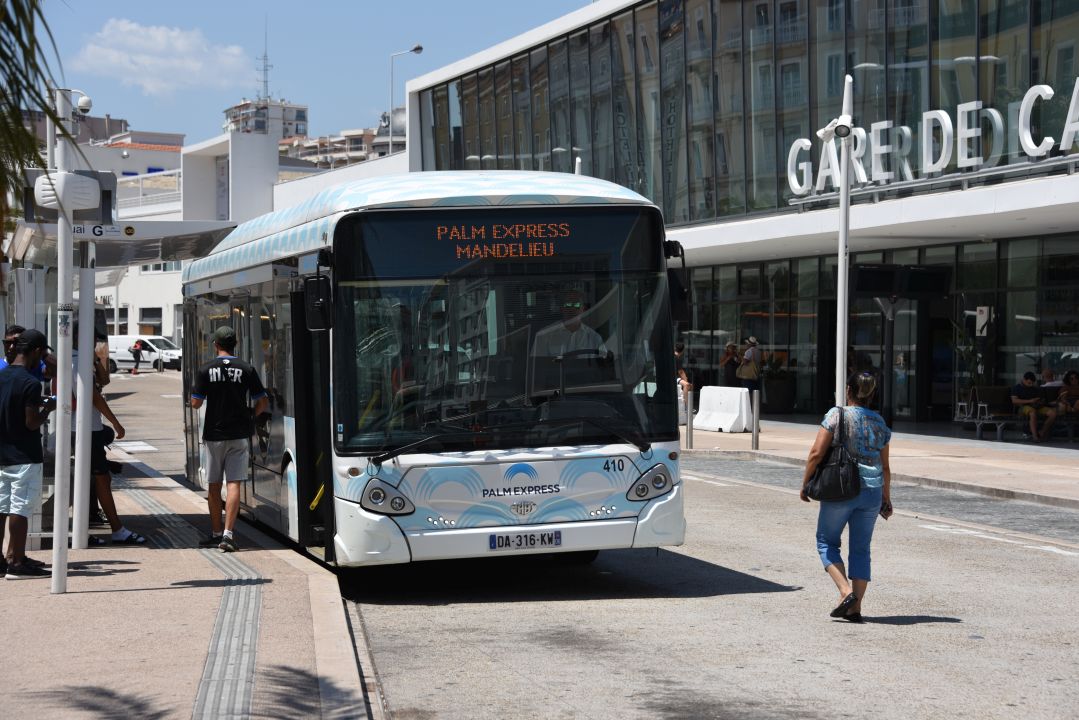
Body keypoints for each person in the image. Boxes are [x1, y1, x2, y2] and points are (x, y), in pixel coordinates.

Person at [800, 372, 893, 623]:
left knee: (826, 541)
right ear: (871, 394)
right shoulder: (880, 422)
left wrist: (806, 483)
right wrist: (886, 497)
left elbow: (816, 453)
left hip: (842, 487)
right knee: (861, 549)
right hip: (873, 491)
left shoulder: (836, 414)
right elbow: (885, 466)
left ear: (848, 390)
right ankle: (855, 608)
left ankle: (845, 591)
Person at [189, 326, 268, 552]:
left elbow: (195, 403)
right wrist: (250, 416)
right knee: (234, 483)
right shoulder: (247, 368)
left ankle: (215, 533)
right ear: (235, 345)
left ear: (216, 345)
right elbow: (263, 402)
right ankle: (228, 535)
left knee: (214, 485)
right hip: (239, 434)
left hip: (214, 434)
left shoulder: (205, 369)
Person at [70, 326, 144, 545]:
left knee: (99, 478)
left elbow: (104, 381)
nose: (96, 343)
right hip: (84, 429)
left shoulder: (83, 359)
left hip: (88, 427)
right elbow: (94, 396)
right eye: (93, 338)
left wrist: (95, 359)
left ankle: (90, 528)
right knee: (101, 478)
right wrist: (115, 422)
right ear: (80, 337)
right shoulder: (76, 361)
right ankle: (116, 529)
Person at [0, 330, 56, 579]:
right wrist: (48, 409)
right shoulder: (30, 383)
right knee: (19, 509)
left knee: (1, 507)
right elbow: (31, 422)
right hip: (24, 456)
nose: (41, 360)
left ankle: (2, 560)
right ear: (35, 351)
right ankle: (17, 562)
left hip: (2, 453)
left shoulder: (2, 376)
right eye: (42, 355)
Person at [533, 289, 607, 357]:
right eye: (568, 304)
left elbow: (604, 364)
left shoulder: (594, 338)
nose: (572, 308)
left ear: (583, 309)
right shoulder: (544, 335)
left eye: (576, 305)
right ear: (561, 308)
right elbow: (536, 364)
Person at [1011, 371, 1056, 442]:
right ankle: (1035, 436)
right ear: (1024, 380)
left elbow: (1040, 398)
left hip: (1036, 406)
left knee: (1052, 413)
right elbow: (1014, 401)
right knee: (1032, 412)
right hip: (1023, 407)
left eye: (1032, 383)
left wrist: (1040, 402)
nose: (1031, 385)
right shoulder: (1016, 388)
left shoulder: (1034, 388)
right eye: (1029, 383)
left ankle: (1042, 431)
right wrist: (1030, 401)